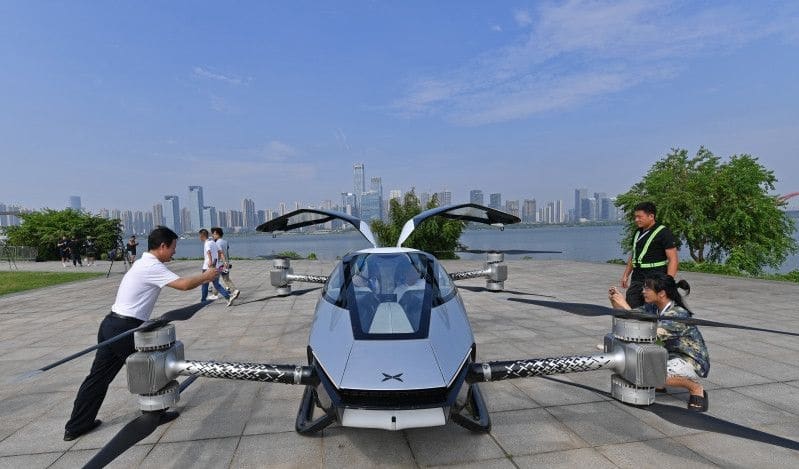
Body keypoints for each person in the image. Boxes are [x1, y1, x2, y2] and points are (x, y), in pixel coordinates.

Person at [64, 227, 220, 441]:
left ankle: (76, 426)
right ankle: (155, 414)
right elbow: (183, 285)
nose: (174, 252)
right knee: (154, 369)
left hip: (111, 324)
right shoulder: (151, 266)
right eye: (173, 247)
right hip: (125, 328)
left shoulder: (142, 262)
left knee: (98, 378)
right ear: (163, 246)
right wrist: (207, 276)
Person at [609, 273, 710, 412]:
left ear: (661, 293)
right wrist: (616, 302)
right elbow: (629, 319)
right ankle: (659, 383)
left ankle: (696, 388)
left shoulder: (678, 314)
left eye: (647, 288)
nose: (643, 291)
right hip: (667, 355)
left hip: (690, 360)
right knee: (635, 367)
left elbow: (644, 331)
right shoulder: (652, 307)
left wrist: (625, 305)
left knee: (648, 374)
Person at [619, 201, 678, 308]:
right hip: (637, 276)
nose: (636, 220)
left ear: (651, 216)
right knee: (632, 305)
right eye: (635, 217)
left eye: (639, 217)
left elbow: (673, 259)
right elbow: (634, 255)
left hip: (656, 276)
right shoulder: (637, 232)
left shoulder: (664, 233)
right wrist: (626, 275)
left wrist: (668, 282)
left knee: (652, 309)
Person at [199, 229, 239, 306]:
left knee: (205, 284)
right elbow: (220, 253)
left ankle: (203, 301)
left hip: (207, 267)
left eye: (199, 236)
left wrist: (210, 261)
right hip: (216, 266)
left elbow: (208, 252)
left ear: (202, 235)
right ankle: (228, 297)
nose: (199, 238)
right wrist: (225, 262)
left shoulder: (207, 243)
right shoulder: (213, 242)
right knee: (216, 285)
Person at [211, 227, 240, 299]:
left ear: (217, 234)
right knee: (224, 279)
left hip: (220, 265)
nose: (213, 235)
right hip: (225, 263)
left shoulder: (217, 243)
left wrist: (214, 264)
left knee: (217, 279)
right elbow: (226, 252)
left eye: (213, 234)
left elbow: (219, 254)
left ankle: (234, 290)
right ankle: (215, 294)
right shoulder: (225, 242)